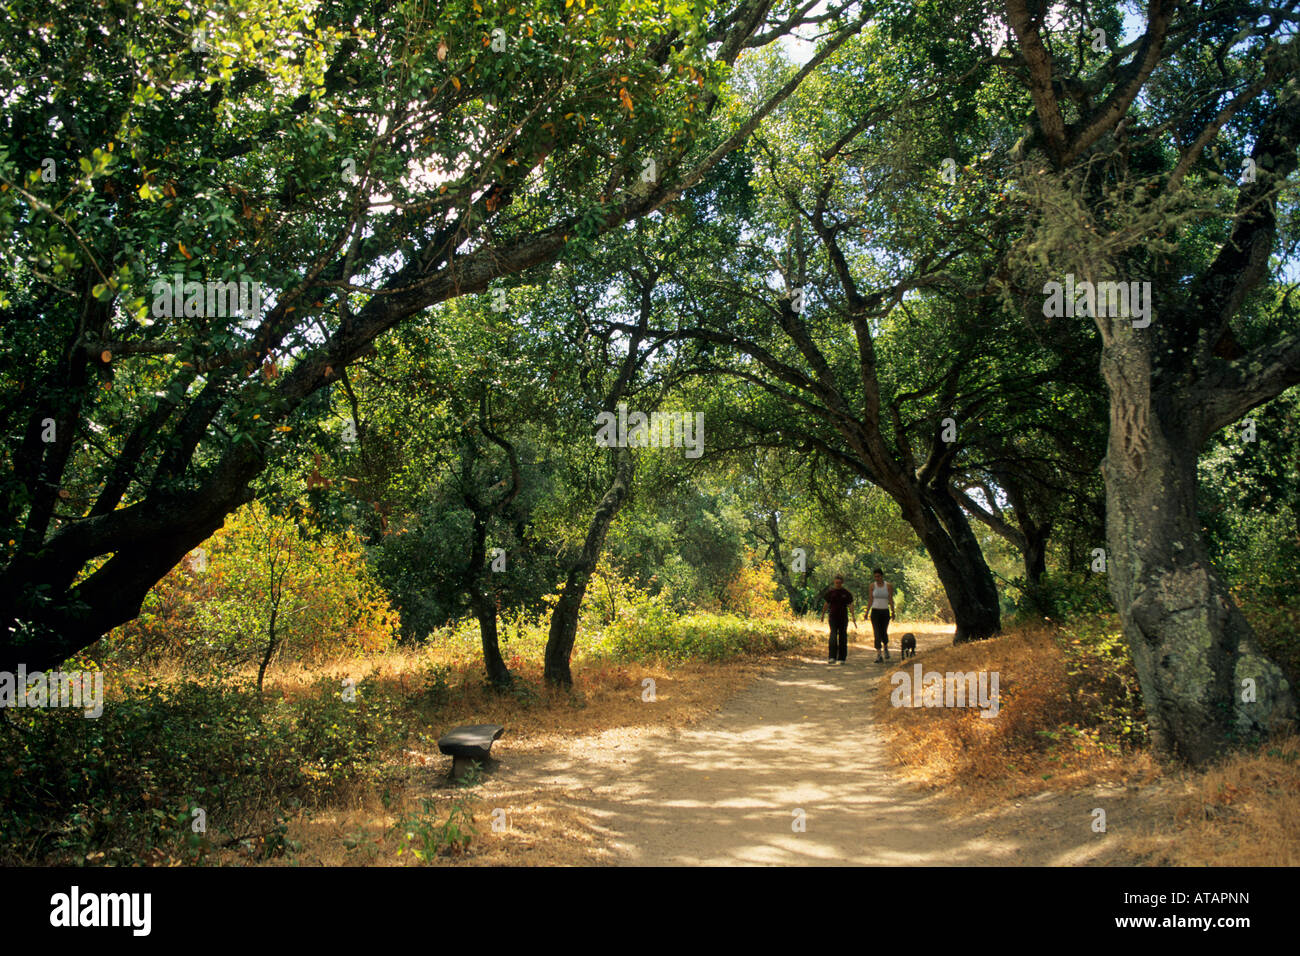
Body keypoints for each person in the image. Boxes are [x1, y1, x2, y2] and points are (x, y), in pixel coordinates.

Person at [817, 575, 856, 665]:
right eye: (836, 582)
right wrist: (822, 615)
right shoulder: (831, 592)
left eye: (839, 583)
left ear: (842, 583)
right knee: (833, 636)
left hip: (843, 618)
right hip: (833, 617)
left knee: (843, 636)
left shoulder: (846, 593)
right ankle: (832, 657)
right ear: (834, 582)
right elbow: (826, 604)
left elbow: (850, 605)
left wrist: (853, 616)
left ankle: (842, 658)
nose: (837, 584)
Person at [868, 567, 896, 663]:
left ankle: (886, 647)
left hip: (885, 611)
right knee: (876, 632)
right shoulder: (872, 586)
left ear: (882, 576)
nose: (877, 578)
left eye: (878, 576)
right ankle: (879, 654)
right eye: (875, 576)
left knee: (883, 631)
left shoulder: (888, 586)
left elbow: (891, 599)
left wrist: (893, 612)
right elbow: (870, 599)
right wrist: (867, 612)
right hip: (875, 611)